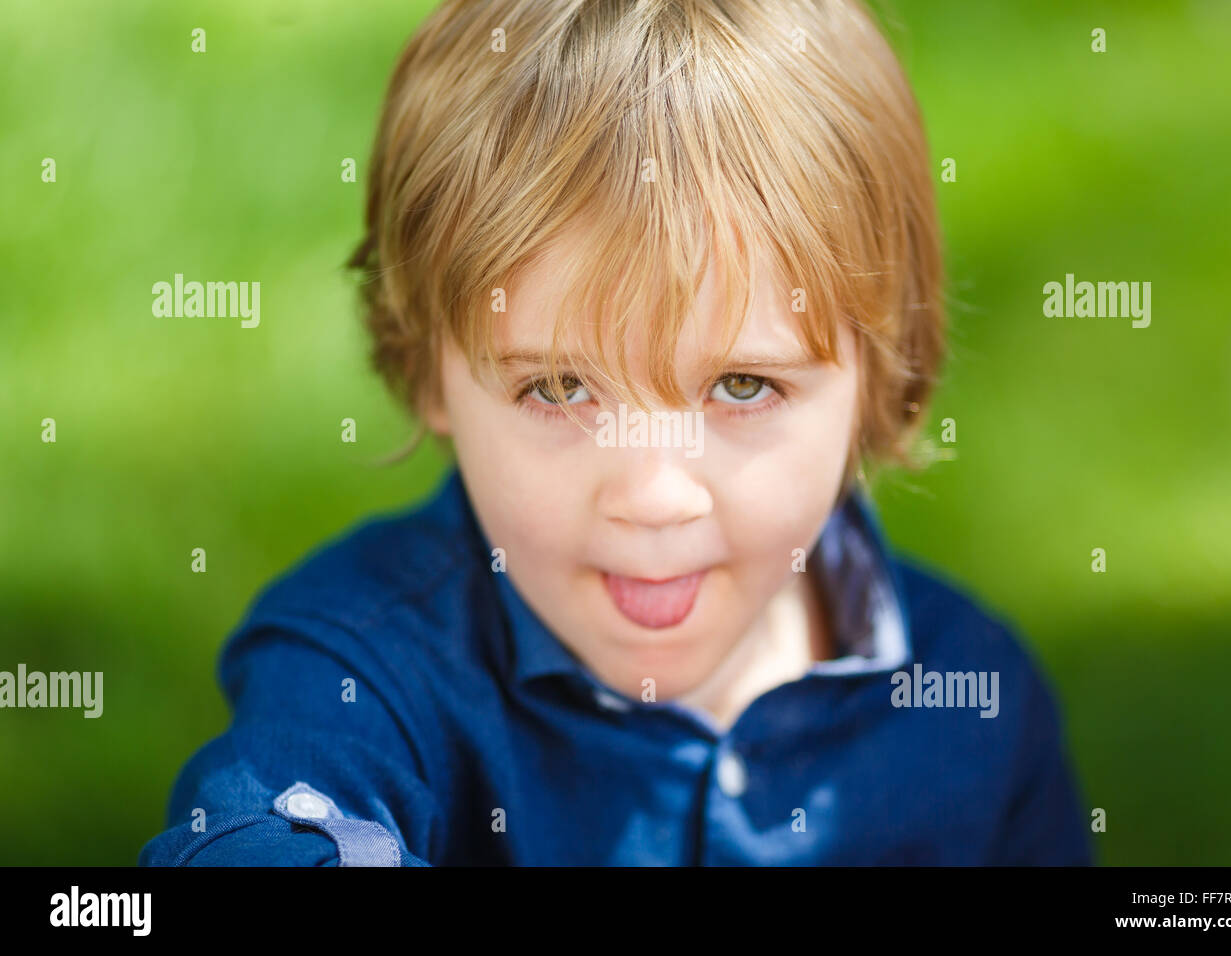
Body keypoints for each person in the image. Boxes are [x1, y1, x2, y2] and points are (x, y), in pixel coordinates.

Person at [141, 0, 1091, 866]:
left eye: (743, 384)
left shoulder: (971, 693)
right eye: (559, 387)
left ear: (887, 370)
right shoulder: (364, 667)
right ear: (430, 366)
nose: (651, 495)